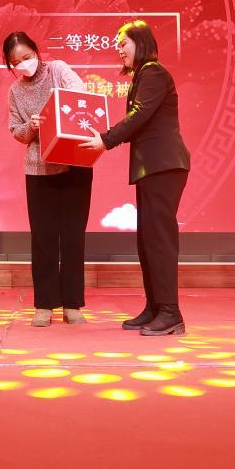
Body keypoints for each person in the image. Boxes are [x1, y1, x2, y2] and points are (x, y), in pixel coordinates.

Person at [79, 20, 191, 336]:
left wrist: (105, 139)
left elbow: (139, 116)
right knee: (148, 241)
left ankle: (170, 312)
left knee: (159, 240)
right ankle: (155, 307)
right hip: (152, 168)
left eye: (123, 43)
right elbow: (139, 119)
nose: (119, 50)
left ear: (140, 43)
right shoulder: (143, 75)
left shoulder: (153, 72)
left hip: (163, 167)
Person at [4, 31, 93, 327]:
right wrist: (32, 126)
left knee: (73, 237)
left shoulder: (58, 69)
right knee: (43, 239)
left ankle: (72, 304)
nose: (24, 64)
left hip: (73, 166)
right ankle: (44, 304)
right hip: (38, 170)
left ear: (37, 51)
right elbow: (17, 132)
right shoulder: (15, 91)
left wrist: (53, 110)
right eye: (16, 62)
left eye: (27, 57)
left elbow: (80, 93)